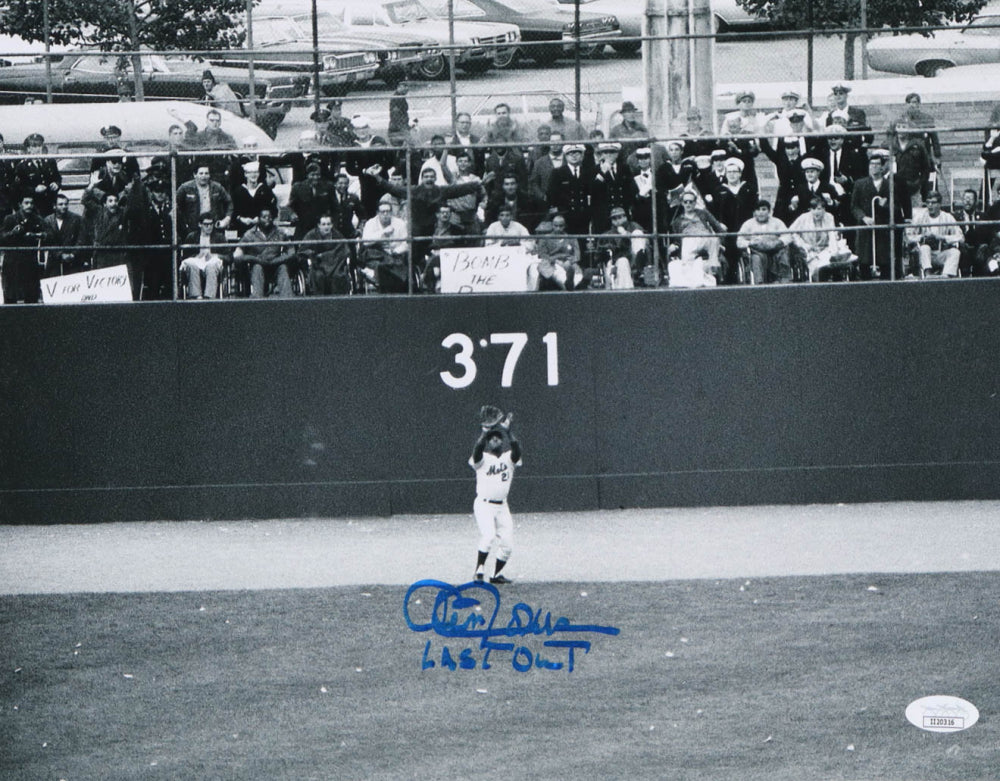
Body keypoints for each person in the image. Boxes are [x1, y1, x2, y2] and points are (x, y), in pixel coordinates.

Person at [469, 405, 521, 585]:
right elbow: (477, 450)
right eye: (492, 439)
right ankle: (478, 571)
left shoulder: (508, 458)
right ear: (488, 443)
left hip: (502, 506)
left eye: (498, 438)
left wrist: (509, 432)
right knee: (489, 536)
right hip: (484, 505)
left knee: (507, 544)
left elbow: (517, 451)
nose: (496, 440)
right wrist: (485, 433)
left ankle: (495, 575)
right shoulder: (482, 459)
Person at [850, 148, 912, 280]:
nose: (874, 168)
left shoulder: (890, 185)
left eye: (877, 165)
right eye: (871, 164)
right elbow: (854, 206)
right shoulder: (860, 184)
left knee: (885, 264)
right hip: (866, 231)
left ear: (883, 167)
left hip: (883, 231)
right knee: (864, 264)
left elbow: (897, 208)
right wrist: (863, 217)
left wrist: (886, 205)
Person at [233, 205, 297, 298]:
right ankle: (258, 300)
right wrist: (255, 259)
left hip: (276, 265)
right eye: (264, 217)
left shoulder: (280, 233)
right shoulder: (249, 234)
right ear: (258, 218)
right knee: (257, 268)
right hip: (258, 266)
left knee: (283, 268)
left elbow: (292, 252)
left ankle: (287, 300)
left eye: (270, 217)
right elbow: (237, 256)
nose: (268, 219)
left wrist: (278, 260)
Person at [788, 195, 854, 281]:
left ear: (824, 210)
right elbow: (791, 232)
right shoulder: (803, 218)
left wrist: (834, 250)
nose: (816, 212)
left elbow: (832, 235)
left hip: (825, 249)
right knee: (818, 268)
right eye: (813, 209)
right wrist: (803, 244)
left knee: (838, 263)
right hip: (808, 251)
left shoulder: (829, 217)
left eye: (819, 209)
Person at [669, 190, 726, 286]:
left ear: (695, 202)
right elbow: (677, 239)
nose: (688, 204)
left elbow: (718, 227)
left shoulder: (703, 213)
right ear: (682, 203)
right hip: (689, 241)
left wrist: (721, 241)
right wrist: (675, 245)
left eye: (691, 202)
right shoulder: (678, 221)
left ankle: (714, 271)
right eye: (685, 202)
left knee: (714, 239)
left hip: (706, 238)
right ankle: (691, 280)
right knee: (687, 244)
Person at [0, 194, 49, 303]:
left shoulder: (37, 219)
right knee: (11, 295)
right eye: (26, 203)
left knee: (31, 294)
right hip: (13, 262)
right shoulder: (10, 219)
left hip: (30, 262)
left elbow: (47, 234)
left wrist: (36, 235)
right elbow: (2, 237)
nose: (29, 206)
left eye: (31, 203)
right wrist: (13, 233)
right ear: (20, 204)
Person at [906, 191, 963, 278]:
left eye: (933, 203)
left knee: (955, 252)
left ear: (940, 204)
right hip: (925, 255)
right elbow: (908, 236)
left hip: (941, 252)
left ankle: (946, 275)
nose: (930, 205)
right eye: (928, 203)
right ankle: (928, 274)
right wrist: (922, 237)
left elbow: (960, 237)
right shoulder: (920, 216)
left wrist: (943, 238)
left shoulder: (947, 217)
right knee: (925, 248)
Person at [360, 195, 410, 293]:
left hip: (395, 255)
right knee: (380, 267)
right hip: (376, 256)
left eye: (388, 211)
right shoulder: (370, 223)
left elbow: (406, 244)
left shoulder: (400, 223)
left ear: (391, 212)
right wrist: (383, 233)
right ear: (378, 213)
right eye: (383, 212)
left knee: (400, 266)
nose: (386, 214)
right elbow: (365, 242)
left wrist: (395, 251)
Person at [736, 199, 792, 284]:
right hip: (758, 251)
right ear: (754, 212)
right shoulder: (748, 224)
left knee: (783, 254)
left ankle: (783, 282)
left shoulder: (777, 222)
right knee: (756, 258)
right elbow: (739, 241)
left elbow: (788, 236)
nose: (761, 212)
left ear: (769, 211)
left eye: (764, 209)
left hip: (774, 249)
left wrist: (779, 242)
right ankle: (759, 284)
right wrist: (750, 243)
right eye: (758, 210)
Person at [180, 212, 229, 299]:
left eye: (211, 224)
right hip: (196, 262)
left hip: (213, 263)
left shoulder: (220, 237)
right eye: (206, 224)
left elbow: (229, 257)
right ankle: (196, 297)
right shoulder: (192, 237)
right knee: (192, 266)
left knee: (211, 266)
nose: (209, 227)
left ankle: (209, 297)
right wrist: (196, 256)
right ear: (200, 224)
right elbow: (185, 257)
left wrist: (215, 255)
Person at [597, 205, 647, 289]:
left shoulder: (634, 226)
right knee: (623, 262)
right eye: (614, 218)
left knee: (637, 233)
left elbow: (645, 241)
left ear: (625, 217)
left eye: (619, 217)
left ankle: (639, 269)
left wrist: (625, 234)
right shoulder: (608, 234)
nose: (617, 220)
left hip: (635, 257)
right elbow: (601, 252)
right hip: (618, 260)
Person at [301, 213, 351, 295]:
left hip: (335, 266)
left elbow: (345, 250)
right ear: (319, 225)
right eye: (323, 224)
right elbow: (303, 250)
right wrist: (314, 255)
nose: (326, 227)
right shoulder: (311, 235)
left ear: (332, 225)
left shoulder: (337, 235)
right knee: (318, 276)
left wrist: (329, 255)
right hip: (317, 265)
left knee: (338, 276)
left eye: (328, 224)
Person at [175, 165, 233, 237]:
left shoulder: (217, 187)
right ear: (195, 175)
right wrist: (183, 224)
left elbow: (229, 202)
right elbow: (175, 205)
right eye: (201, 173)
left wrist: (227, 218)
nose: (204, 176)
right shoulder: (185, 188)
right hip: (192, 228)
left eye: (206, 173)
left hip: (213, 227)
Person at [535, 213, 588, 291]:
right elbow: (542, 255)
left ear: (564, 226)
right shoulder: (545, 239)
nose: (558, 228)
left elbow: (577, 255)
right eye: (556, 226)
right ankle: (568, 286)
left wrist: (569, 261)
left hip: (569, 263)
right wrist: (556, 261)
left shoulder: (571, 239)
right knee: (557, 273)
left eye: (561, 226)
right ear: (552, 226)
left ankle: (572, 283)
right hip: (552, 263)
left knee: (577, 274)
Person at [13, 133, 61, 216]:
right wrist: (34, 189)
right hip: (33, 205)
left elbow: (58, 178)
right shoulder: (22, 166)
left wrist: (56, 184)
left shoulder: (50, 162)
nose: (38, 149)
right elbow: (19, 187)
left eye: (39, 146)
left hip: (50, 202)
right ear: (28, 149)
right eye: (34, 146)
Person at [231, 160, 278, 237]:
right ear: (245, 174)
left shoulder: (266, 190)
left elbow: (273, 210)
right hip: (243, 230)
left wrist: (261, 219)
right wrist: (241, 219)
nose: (253, 175)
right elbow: (233, 211)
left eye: (256, 172)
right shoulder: (238, 191)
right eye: (250, 172)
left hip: (263, 230)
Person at [44, 192, 87, 274]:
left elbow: (81, 239)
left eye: (66, 204)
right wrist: (60, 255)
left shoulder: (77, 219)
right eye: (60, 204)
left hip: (73, 262)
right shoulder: (48, 221)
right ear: (54, 206)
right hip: (54, 262)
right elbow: (49, 241)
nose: (64, 206)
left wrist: (73, 254)